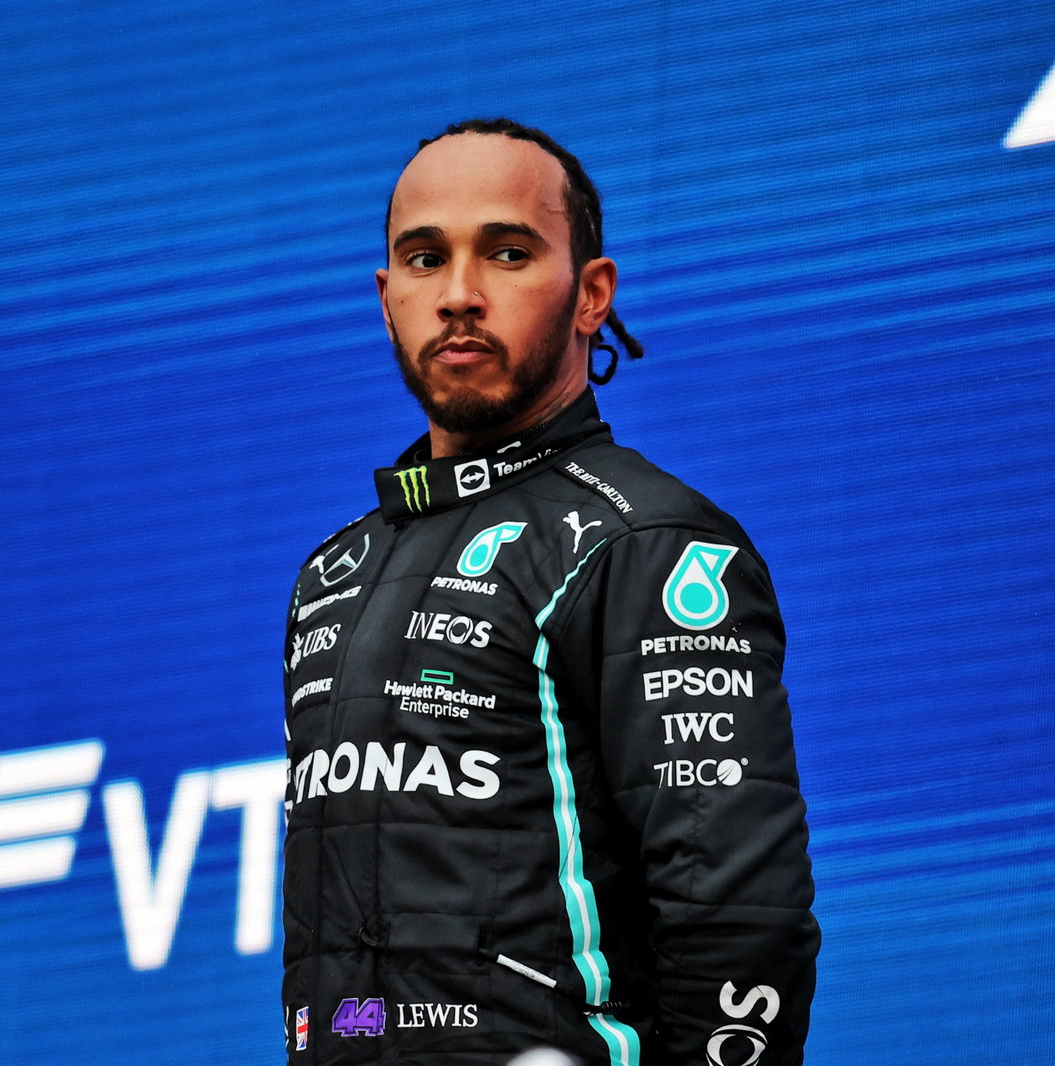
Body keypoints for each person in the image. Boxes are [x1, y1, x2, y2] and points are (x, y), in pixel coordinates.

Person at [281, 119, 819, 1066]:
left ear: (591, 295)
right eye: (424, 259)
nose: (458, 294)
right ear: (387, 298)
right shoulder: (336, 572)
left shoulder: (646, 543)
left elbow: (739, 913)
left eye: (508, 252)